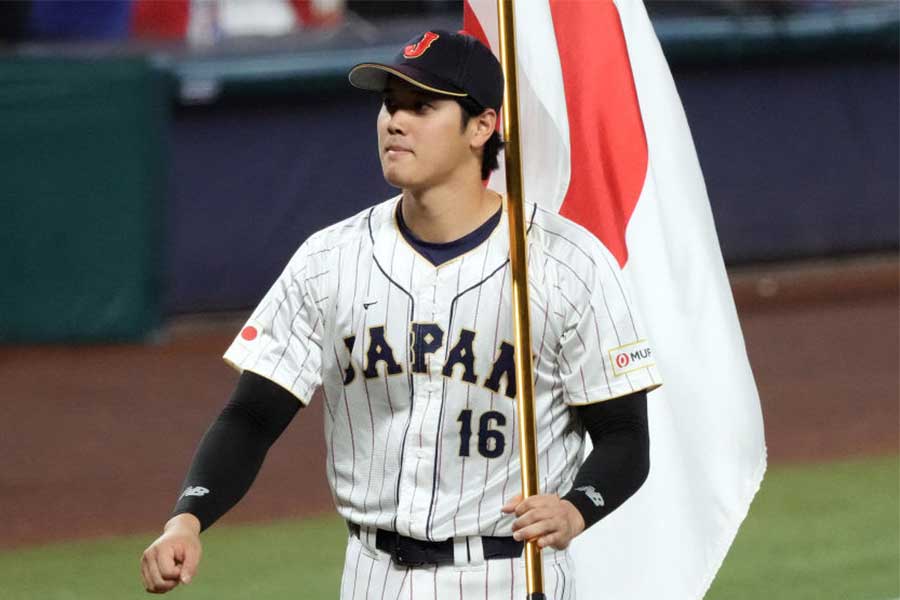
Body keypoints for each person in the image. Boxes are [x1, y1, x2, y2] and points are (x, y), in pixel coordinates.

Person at [140, 29, 661, 598]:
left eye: (422, 106)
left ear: (482, 126)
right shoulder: (329, 260)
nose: (395, 120)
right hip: (371, 575)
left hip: (506, 575)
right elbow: (251, 418)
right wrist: (186, 519)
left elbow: (624, 437)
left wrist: (575, 509)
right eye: (390, 103)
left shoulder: (567, 264)